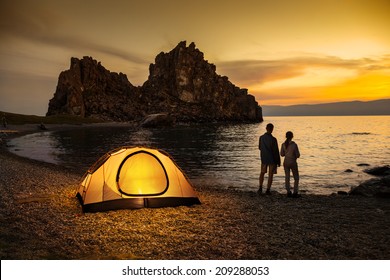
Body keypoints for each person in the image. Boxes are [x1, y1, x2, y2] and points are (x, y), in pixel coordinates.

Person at [258, 123, 280, 195]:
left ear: (266, 128)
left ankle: (260, 187)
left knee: (262, 173)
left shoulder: (261, 137)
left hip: (264, 158)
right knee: (270, 175)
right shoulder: (273, 139)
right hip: (272, 159)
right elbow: (276, 151)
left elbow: (260, 148)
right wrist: (278, 161)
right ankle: (268, 189)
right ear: (272, 129)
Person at [280, 131, 300, 198]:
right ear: (292, 136)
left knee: (287, 177)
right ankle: (295, 192)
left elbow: (282, 154)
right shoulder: (294, 145)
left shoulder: (283, 144)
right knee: (296, 178)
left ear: (286, 136)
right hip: (293, 162)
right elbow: (298, 155)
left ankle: (288, 192)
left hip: (286, 162)